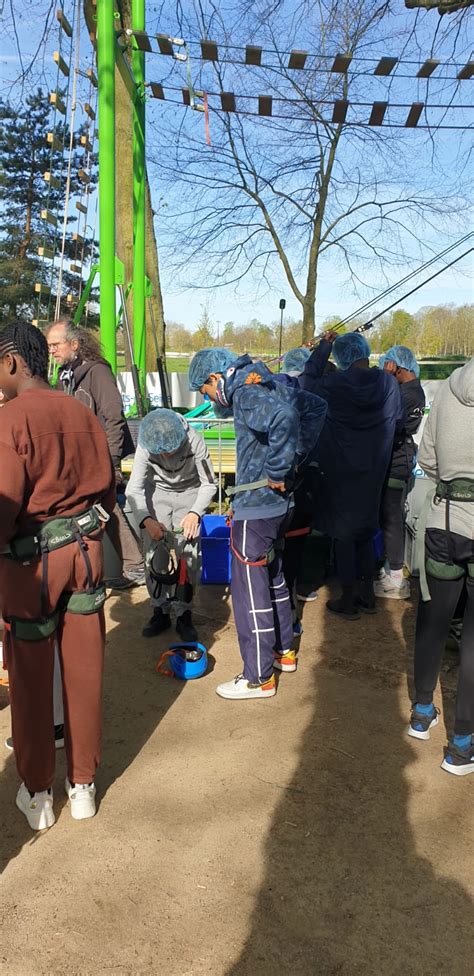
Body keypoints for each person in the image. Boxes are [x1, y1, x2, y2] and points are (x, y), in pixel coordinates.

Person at [0, 322, 116, 830]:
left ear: (11, 362)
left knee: (29, 681)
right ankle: (85, 785)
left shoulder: (10, 420)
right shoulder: (81, 411)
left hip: (33, 568)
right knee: (86, 673)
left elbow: (2, 507)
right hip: (87, 559)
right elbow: (108, 488)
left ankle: (39, 794)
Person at [189, 348, 327, 699]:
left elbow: (283, 419)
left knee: (249, 591)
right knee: (275, 577)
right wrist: (295, 457)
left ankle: (258, 676)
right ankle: (284, 652)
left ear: (215, 378)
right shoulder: (267, 382)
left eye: (205, 391)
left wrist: (281, 468)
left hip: (257, 507)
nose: (210, 399)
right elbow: (314, 407)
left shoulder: (247, 392)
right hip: (280, 507)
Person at [300, 332, 403, 620]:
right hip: (374, 468)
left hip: (340, 467)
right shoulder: (387, 382)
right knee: (366, 531)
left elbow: (306, 385)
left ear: (341, 356)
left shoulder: (332, 384)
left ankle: (347, 598)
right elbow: (396, 419)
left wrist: (323, 348)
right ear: (365, 351)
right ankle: (367, 595)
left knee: (344, 533)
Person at [408, 358, 474, 776]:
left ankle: (421, 712)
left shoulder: (447, 389)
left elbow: (427, 459)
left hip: (444, 521)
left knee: (432, 620)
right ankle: (462, 743)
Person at [46, 318, 144, 588]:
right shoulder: (65, 376)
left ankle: (131, 566)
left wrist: (112, 462)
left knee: (107, 507)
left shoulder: (97, 372)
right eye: (49, 346)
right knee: (102, 508)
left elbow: (114, 418)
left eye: (56, 344)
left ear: (74, 344)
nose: (51, 350)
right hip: (77, 459)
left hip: (99, 457)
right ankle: (125, 566)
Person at [125, 409, 217, 643]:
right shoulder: (147, 442)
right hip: (157, 493)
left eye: (171, 450)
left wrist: (195, 513)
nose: (166, 456)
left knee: (188, 556)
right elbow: (134, 489)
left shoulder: (194, 439)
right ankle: (160, 611)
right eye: (161, 452)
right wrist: (147, 521)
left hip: (190, 492)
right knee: (155, 555)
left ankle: (184, 613)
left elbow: (209, 484)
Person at [376, 345, 425, 600]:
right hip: (399, 458)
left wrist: (385, 381)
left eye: (390, 367)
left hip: (396, 460)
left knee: (391, 517)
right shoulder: (413, 390)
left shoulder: (406, 394)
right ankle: (391, 567)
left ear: (398, 367)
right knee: (389, 516)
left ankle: (395, 576)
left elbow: (387, 421)